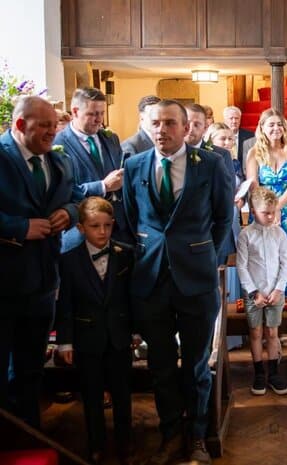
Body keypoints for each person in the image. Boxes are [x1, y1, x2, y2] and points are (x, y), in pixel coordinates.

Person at [122, 99, 233, 465]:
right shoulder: (135, 164)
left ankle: (198, 435)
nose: (161, 130)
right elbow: (129, 218)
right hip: (151, 279)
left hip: (196, 280)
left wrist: (206, 256)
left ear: (186, 129)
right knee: (161, 365)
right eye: (155, 123)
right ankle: (170, 433)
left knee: (198, 365)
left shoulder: (212, 165)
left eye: (170, 123)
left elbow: (222, 218)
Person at [0, 96, 81, 428]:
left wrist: (69, 213)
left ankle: (29, 434)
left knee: (31, 368)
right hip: (4, 284)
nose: (53, 132)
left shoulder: (58, 161)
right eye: (45, 126)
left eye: (53, 125)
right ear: (20, 125)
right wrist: (20, 228)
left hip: (44, 283)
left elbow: (75, 197)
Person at [55, 197, 134, 465]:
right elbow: (65, 304)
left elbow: (130, 298)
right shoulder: (68, 261)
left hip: (119, 336)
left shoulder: (125, 254)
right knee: (91, 395)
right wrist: (65, 342)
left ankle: (125, 443)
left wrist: (134, 331)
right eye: (94, 226)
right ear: (80, 228)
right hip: (87, 339)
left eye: (107, 226)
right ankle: (96, 445)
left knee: (123, 394)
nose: (102, 232)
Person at [54, 87, 127, 251]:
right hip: (80, 229)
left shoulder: (111, 138)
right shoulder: (57, 144)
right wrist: (103, 186)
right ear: (75, 111)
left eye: (101, 113)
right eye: (92, 114)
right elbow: (64, 192)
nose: (99, 119)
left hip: (117, 228)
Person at [237, 187, 287, 397]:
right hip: (255, 294)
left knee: (272, 333)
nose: (271, 217)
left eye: (273, 212)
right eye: (265, 213)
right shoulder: (245, 235)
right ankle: (259, 373)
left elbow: (285, 264)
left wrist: (279, 289)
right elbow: (241, 266)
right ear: (253, 211)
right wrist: (254, 292)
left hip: (275, 292)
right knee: (256, 332)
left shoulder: (280, 234)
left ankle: (274, 373)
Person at [246, 108, 287, 307]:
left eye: (279, 124)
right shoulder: (254, 153)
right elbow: (253, 186)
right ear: (262, 127)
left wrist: (277, 207)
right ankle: (263, 306)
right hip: (262, 211)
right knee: (262, 256)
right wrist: (268, 210)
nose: (276, 128)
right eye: (271, 124)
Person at [184, 104, 237, 262]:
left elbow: (225, 200)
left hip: (210, 235)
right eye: (186, 123)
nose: (190, 128)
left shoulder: (220, 155)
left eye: (197, 124)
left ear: (205, 128)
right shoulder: (170, 153)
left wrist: (214, 242)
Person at [223, 105, 255, 177]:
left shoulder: (250, 136)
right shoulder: (219, 137)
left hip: (245, 176)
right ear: (225, 120)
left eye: (236, 118)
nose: (234, 121)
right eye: (231, 118)